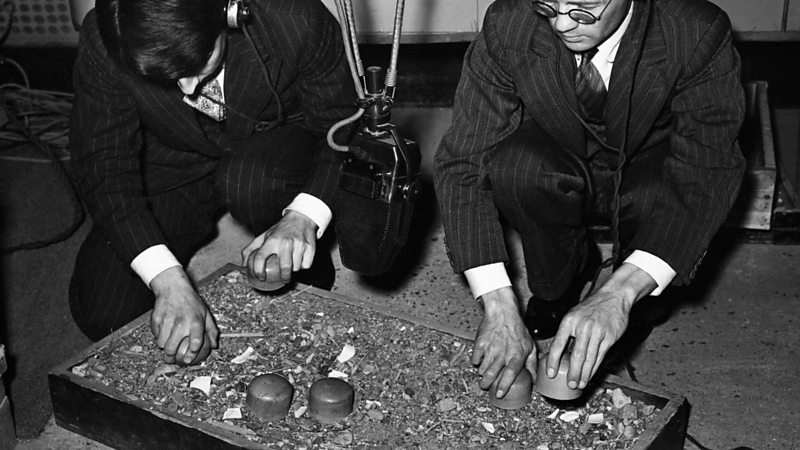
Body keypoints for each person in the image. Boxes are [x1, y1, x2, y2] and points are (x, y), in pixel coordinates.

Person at [434, 0, 745, 399]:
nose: (563, 25)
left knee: (652, 200)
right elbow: (464, 162)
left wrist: (620, 294)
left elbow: (707, 170)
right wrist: (498, 303)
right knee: (518, 171)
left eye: (583, 8)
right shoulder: (508, 24)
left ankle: (637, 298)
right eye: (549, 5)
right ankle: (560, 282)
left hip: (650, 157)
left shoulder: (695, 31)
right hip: (559, 144)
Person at [68, 0, 356, 365]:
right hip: (173, 163)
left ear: (228, 12)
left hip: (271, 155)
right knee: (105, 312)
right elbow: (103, 165)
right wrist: (167, 279)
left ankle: (304, 261)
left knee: (253, 182)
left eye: (198, 60)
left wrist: (304, 216)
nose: (189, 88)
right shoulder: (108, 32)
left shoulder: (297, 18)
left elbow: (342, 130)